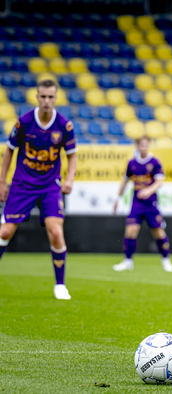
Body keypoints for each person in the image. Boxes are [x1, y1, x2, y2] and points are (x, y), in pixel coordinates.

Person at [0, 79, 77, 300]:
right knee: (5, 232)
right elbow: (9, 152)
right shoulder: (23, 123)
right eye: (43, 96)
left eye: (50, 97)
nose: (46, 101)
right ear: (36, 96)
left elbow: (72, 156)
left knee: (55, 232)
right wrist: (2, 181)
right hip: (22, 185)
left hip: (49, 186)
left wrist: (69, 179)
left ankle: (60, 285)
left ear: (56, 97)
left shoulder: (64, 125)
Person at [112, 136, 172, 273]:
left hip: (151, 203)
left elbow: (159, 181)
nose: (144, 147)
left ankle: (166, 260)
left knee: (158, 232)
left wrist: (148, 190)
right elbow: (125, 181)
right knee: (130, 231)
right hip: (136, 202)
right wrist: (117, 198)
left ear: (149, 146)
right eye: (141, 145)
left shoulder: (155, 162)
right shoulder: (132, 163)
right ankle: (128, 261)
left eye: (146, 145)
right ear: (137, 146)